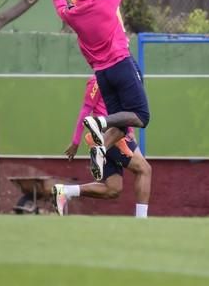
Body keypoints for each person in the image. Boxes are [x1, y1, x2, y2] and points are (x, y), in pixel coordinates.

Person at [47, 0, 151, 184]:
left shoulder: (71, 14)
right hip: (121, 64)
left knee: (121, 125)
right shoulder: (106, 2)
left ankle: (99, 146)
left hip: (102, 74)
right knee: (141, 117)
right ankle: (99, 124)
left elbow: (60, 5)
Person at [54, 76, 152, 218]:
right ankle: (142, 221)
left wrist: (130, 132)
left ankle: (65, 191)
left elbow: (124, 111)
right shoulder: (98, 81)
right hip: (110, 136)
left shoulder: (119, 79)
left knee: (113, 189)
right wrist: (75, 142)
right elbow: (85, 111)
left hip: (118, 134)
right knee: (145, 170)